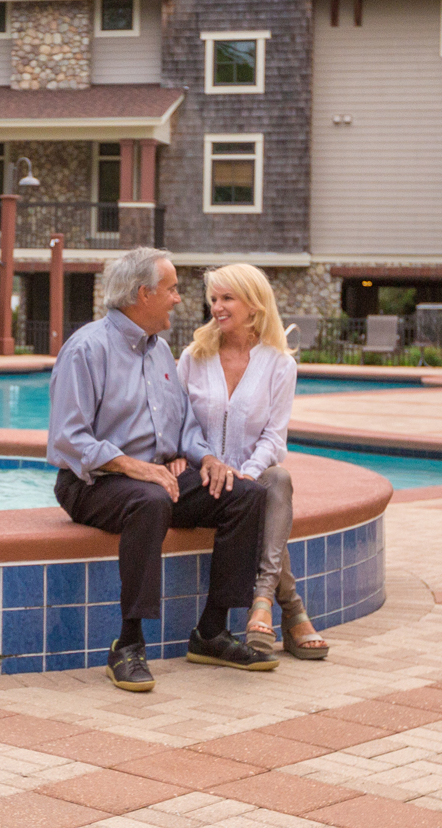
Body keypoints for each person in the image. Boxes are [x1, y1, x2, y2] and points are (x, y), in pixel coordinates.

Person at [48, 246, 279, 691]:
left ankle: (211, 631)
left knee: (245, 495)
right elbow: (68, 437)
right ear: (143, 294)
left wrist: (207, 458)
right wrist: (133, 467)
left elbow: (185, 426)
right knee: (151, 499)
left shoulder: (159, 351)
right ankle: (129, 644)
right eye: (171, 289)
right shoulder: (86, 348)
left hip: (154, 477)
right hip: (92, 482)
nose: (179, 298)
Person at [175, 264, 328, 661]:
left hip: (248, 481)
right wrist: (189, 458)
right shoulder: (194, 356)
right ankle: (288, 609)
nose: (217, 307)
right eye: (213, 299)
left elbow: (275, 438)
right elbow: (173, 420)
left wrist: (247, 473)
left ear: (254, 305)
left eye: (227, 298)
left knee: (275, 479)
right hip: (199, 481)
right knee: (268, 496)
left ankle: (263, 598)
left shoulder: (280, 365)